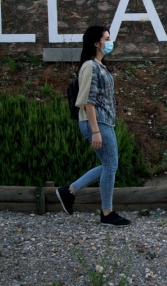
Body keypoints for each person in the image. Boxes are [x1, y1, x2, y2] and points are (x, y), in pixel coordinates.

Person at [56, 25, 131, 227]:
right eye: (107, 38)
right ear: (97, 43)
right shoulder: (90, 66)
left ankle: (70, 191)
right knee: (110, 166)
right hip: (96, 123)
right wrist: (96, 130)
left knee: (109, 165)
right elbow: (88, 101)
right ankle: (106, 212)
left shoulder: (99, 65)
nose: (110, 41)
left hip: (103, 122)